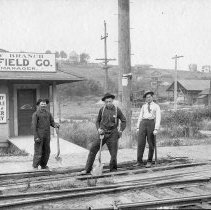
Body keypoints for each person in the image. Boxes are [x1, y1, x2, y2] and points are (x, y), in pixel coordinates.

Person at [82, 93, 126, 174]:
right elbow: (97, 121)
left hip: (113, 133)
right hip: (103, 133)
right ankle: (87, 169)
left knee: (113, 153)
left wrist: (120, 130)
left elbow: (123, 120)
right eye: (107, 102)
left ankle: (113, 170)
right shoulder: (102, 110)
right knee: (93, 149)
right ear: (104, 102)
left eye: (110, 101)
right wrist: (98, 129)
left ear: (112, 101)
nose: (108, 103)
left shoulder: (117, 110)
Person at [32, 98, 60, 170]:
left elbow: (52, 122)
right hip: (39, 136)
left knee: (47, 151)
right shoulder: (36, 114)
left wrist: (55, 125)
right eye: (42, 104)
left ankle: (43, 165)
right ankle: (35, 166)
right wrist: (36, 137)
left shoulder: (48, 113)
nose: (43, 105)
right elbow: (34, 126)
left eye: (44, 104)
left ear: (46, 105)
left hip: (47, 135)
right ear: (38, 105)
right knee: (38, 151)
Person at [136, 90, 161, 168]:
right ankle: (139, 161)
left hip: (151, 123)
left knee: (151, 143)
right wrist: (137, 127)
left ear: (152, 97)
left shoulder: (156, 106)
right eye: (147, 97)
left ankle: (149, 161)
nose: (148, 98)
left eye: (149, 97)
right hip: (143, 123)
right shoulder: (144, 106)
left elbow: (158, 118)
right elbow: (140, 116)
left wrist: (156, 129)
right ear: (145, 99)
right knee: (140, 143)